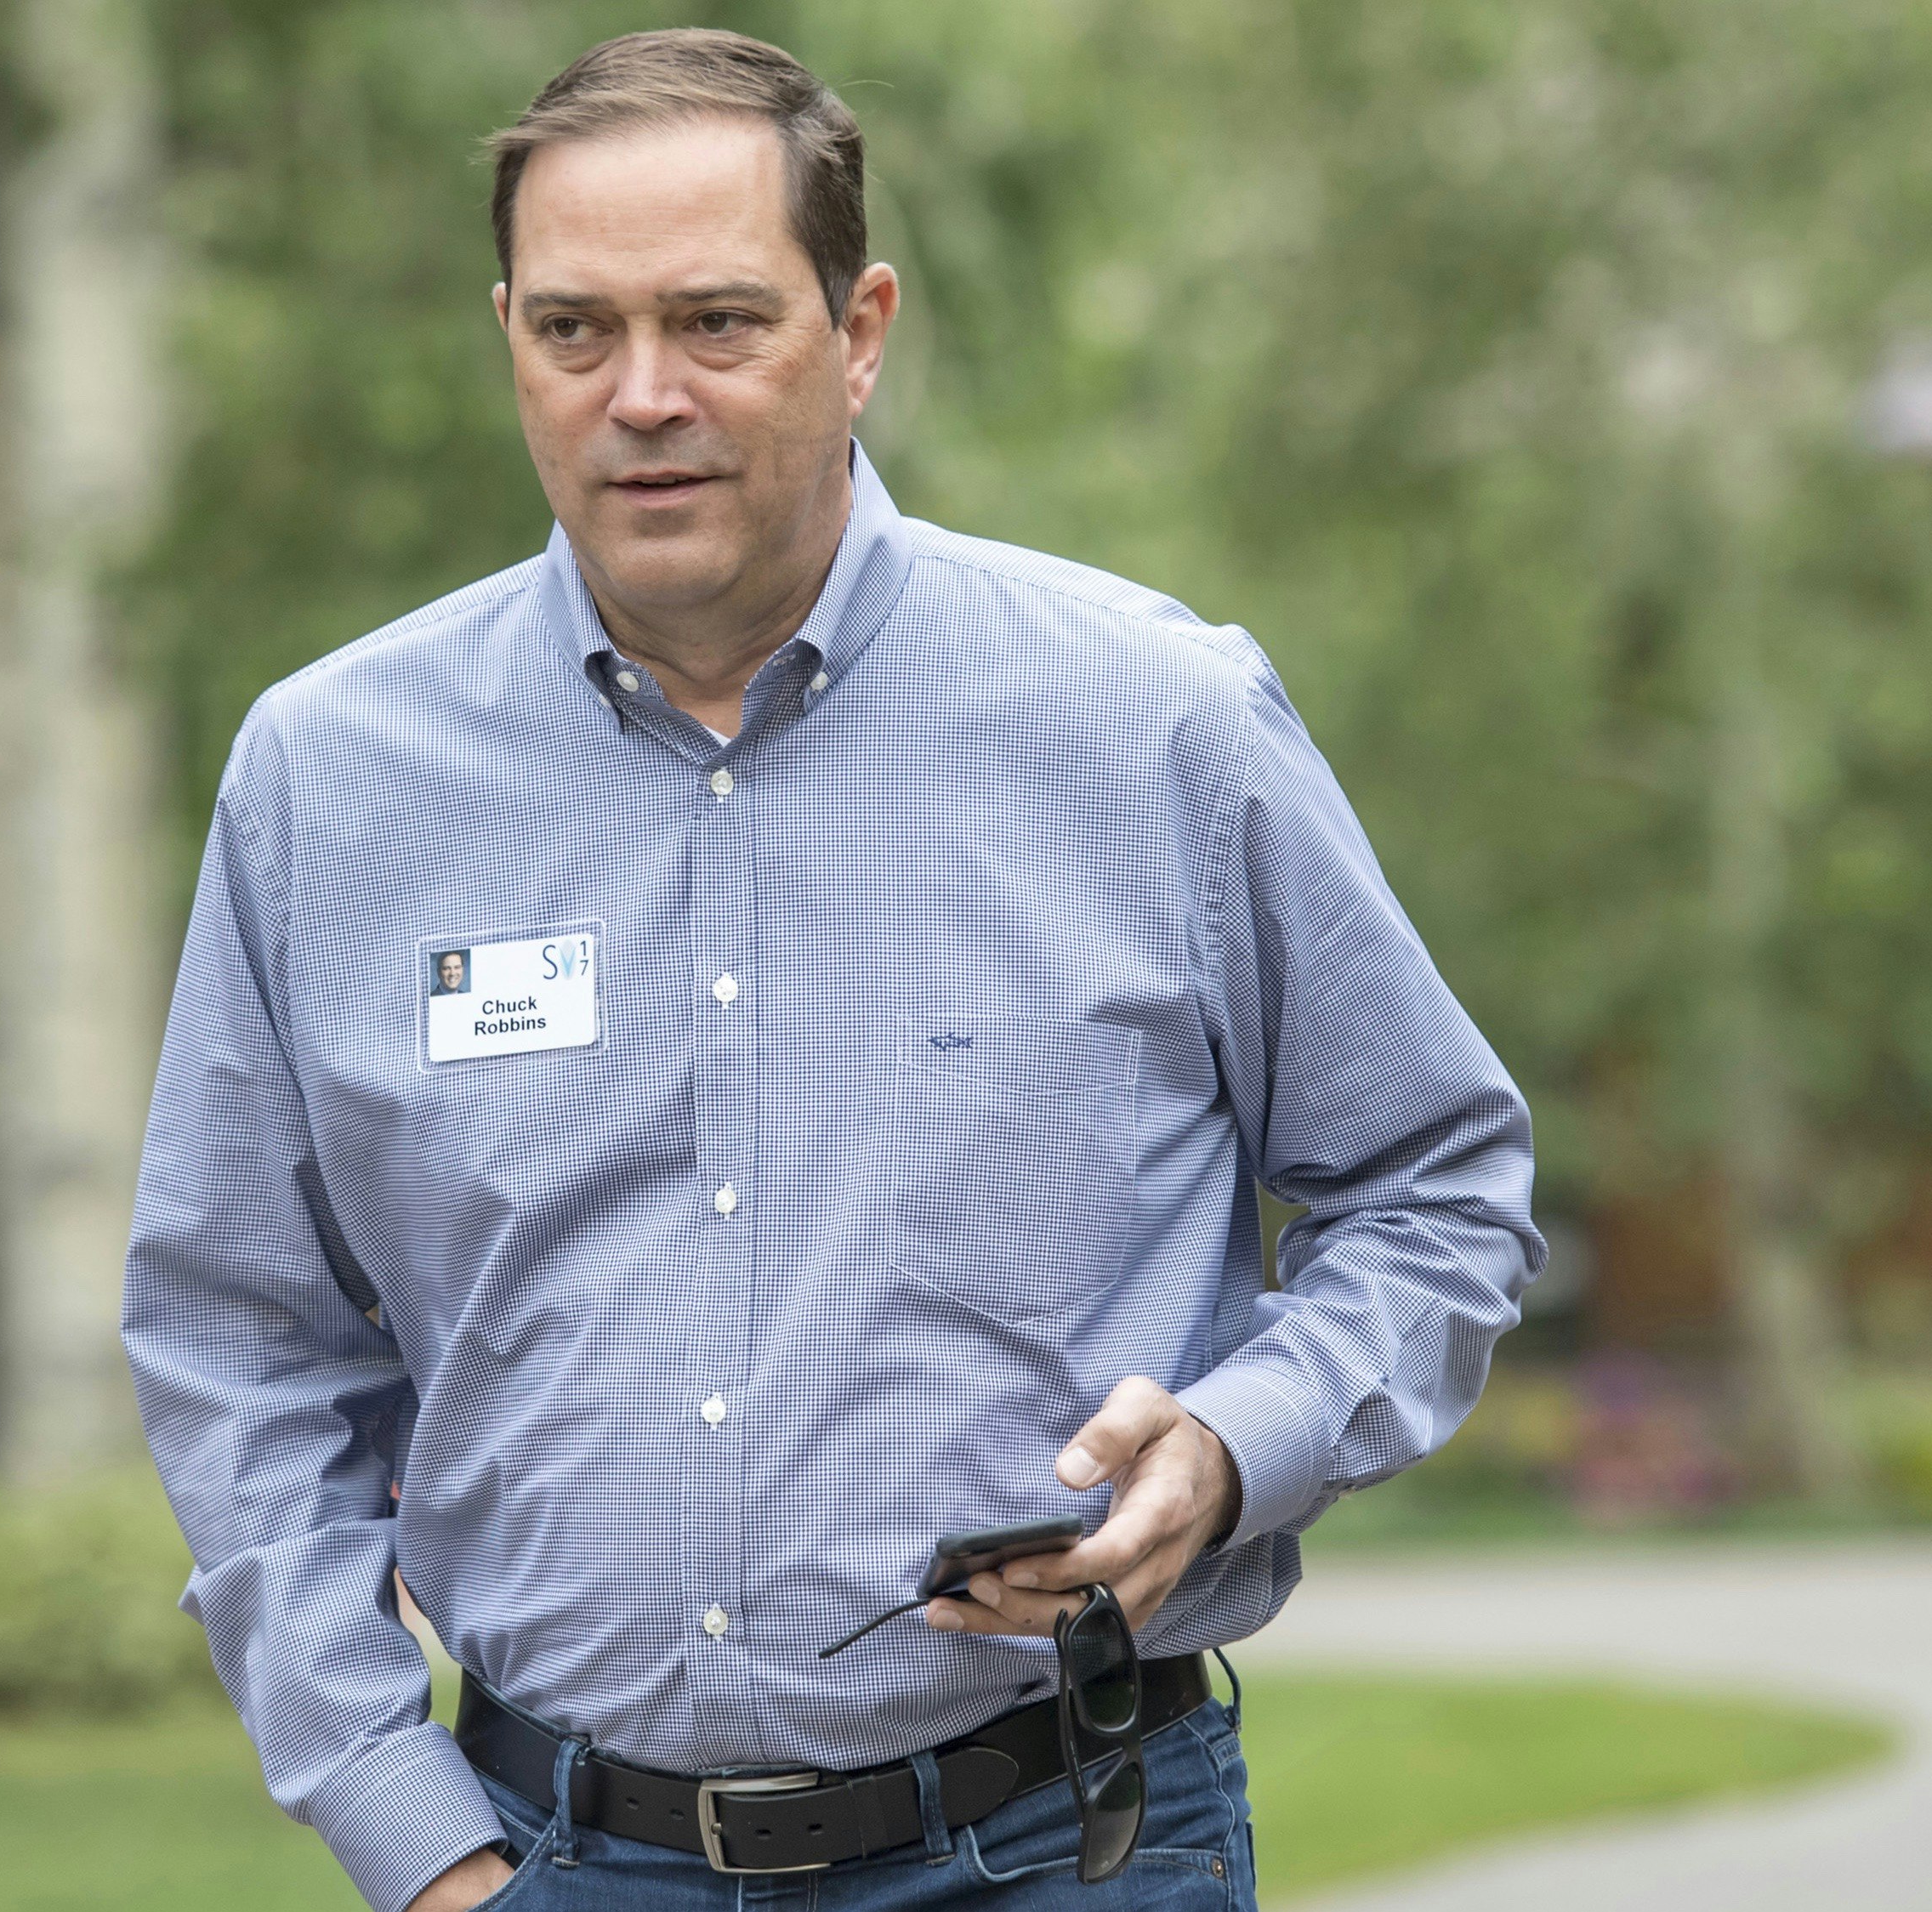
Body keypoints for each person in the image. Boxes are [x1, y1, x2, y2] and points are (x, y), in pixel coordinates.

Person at [123, 28, 1540, 1912]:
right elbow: (240, 1340)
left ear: (857, 329)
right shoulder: (328, 781)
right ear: (508, 343)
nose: (641, 396)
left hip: (1065, 1840)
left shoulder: (1155, 728)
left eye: (717, 322)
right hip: (555, 1862)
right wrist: (411, 1838)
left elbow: (1436, 1191)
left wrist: (1225, 1445)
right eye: (572, 332)